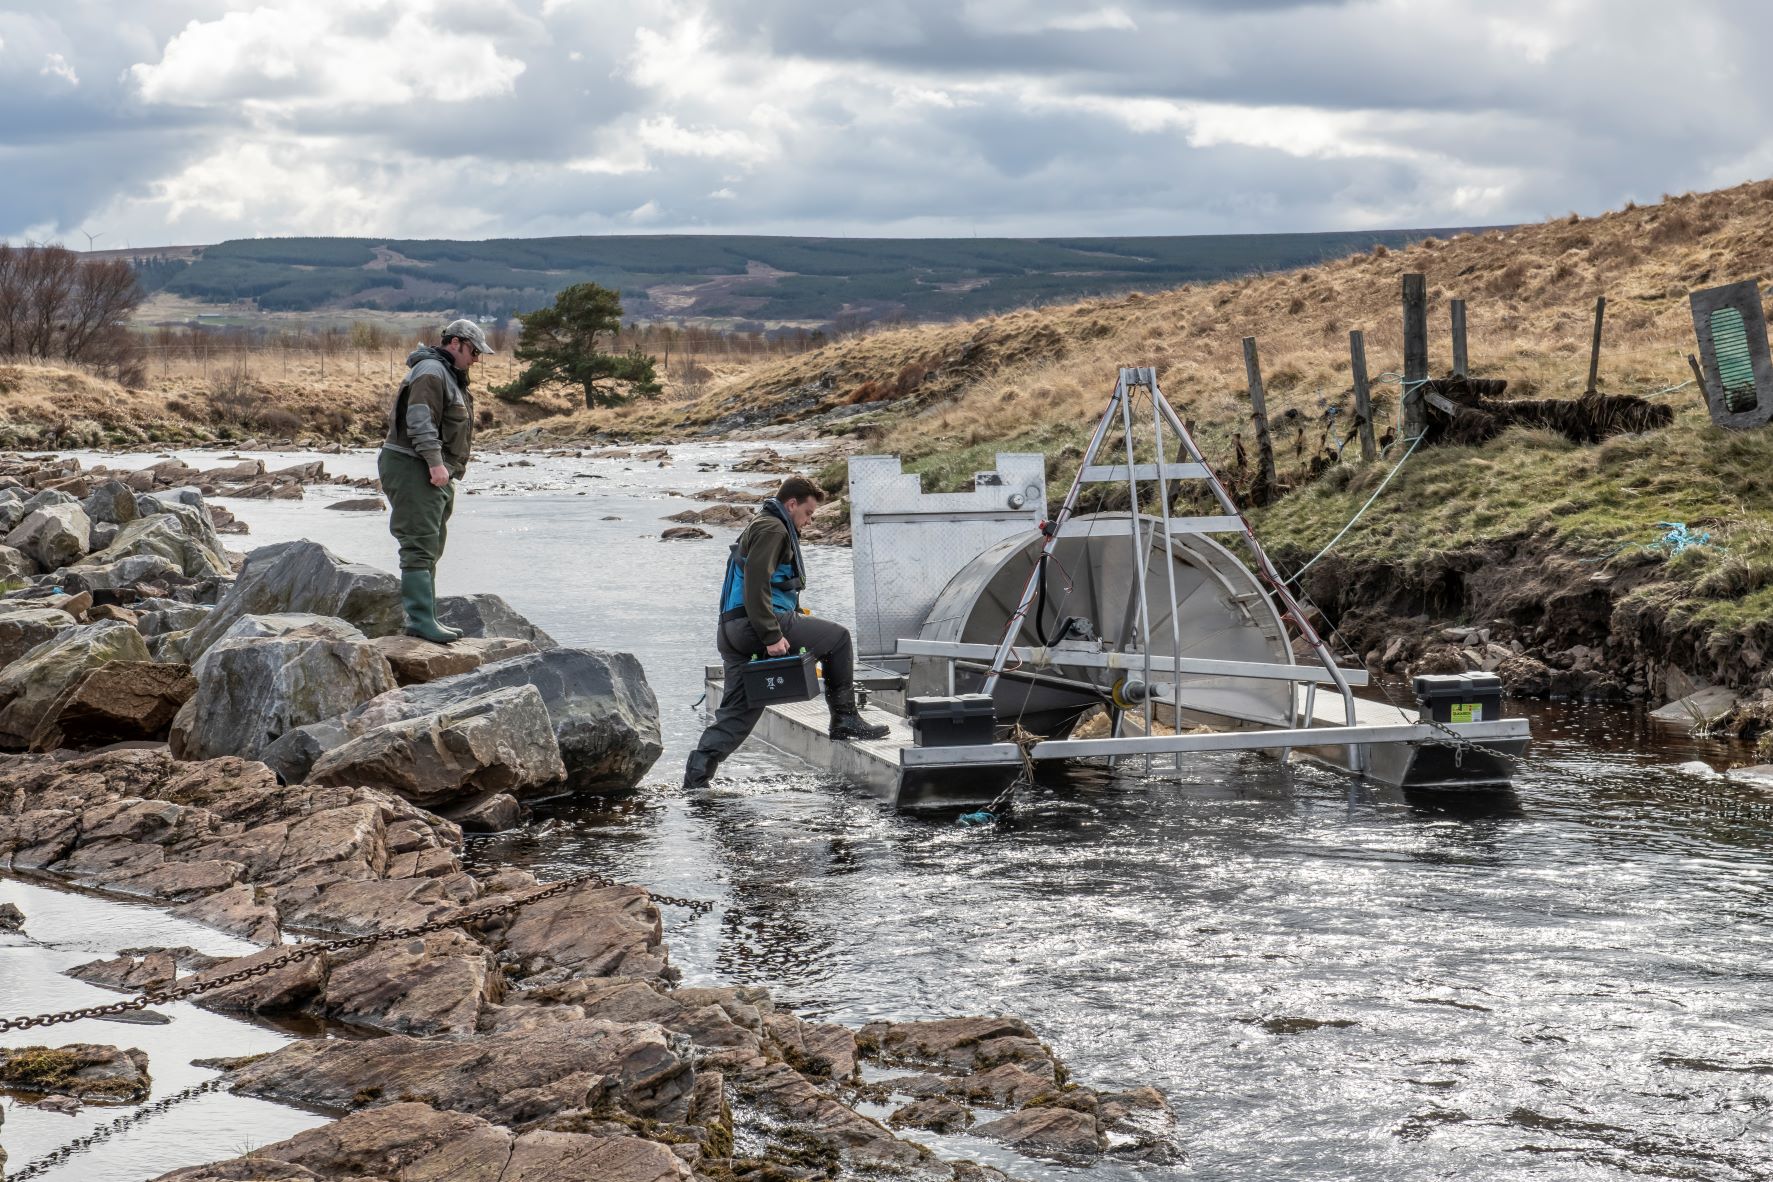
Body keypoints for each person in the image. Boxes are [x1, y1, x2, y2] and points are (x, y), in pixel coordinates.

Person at [684, 476, 888, 789]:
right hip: (756, 625)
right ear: (791, 504)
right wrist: (771, 634)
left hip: (731, 629)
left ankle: (696, 780)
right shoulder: (772, 527)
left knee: (739, 713)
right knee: (838, 639)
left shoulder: (761, 524)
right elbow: (756, 583)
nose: (808, 522)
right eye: (807, 513)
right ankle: (845, 719)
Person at [378, 318, 492, 643]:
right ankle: (420, 621)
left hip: (429, 469)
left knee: (431, 543)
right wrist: (435, 462)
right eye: (473, 351)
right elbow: (419, 418)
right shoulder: (431, 371)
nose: (476, 359)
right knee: (419, 543)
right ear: (455, 343)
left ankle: (426, 617)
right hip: (414, 466)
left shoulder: (449, 375)